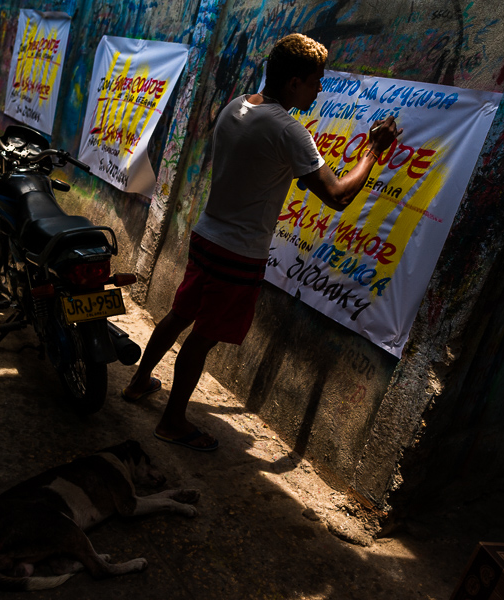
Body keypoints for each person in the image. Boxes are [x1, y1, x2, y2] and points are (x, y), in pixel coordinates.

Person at [121, 33, 403, 451]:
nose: (320, 88)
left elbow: (264, 168)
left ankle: (139, 381)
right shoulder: (288, 130)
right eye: (315, 80)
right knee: (203, 337)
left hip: (208, 235)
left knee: (180, 315)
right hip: (238, 251)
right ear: (293, 83)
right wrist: (373, 150)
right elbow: (339, 195)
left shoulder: (239, 105)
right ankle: (173, 421)